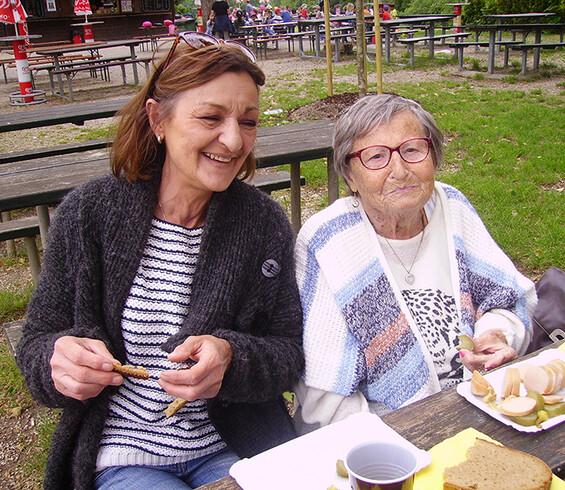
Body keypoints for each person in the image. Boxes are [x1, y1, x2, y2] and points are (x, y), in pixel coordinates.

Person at [16, 32, 304, 490]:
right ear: (158, 119)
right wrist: (58, 363)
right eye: (211, 117)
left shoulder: (264, 223)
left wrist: (231, 357)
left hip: (234, 448)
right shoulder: (90, 214)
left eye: (248, 122)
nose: (233, 141)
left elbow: (288, 352)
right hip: (126, 457)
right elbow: (35, 345)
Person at [293, 93, 536, 430]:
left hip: (483, 406)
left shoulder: (452, 205)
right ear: (349, 175)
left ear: (432, 156)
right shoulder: (328, 240)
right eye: (375, 156)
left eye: (412, 150)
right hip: (381, 435)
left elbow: (506, 298)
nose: (400, 170)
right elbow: (326, 391)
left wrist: (495, 336)